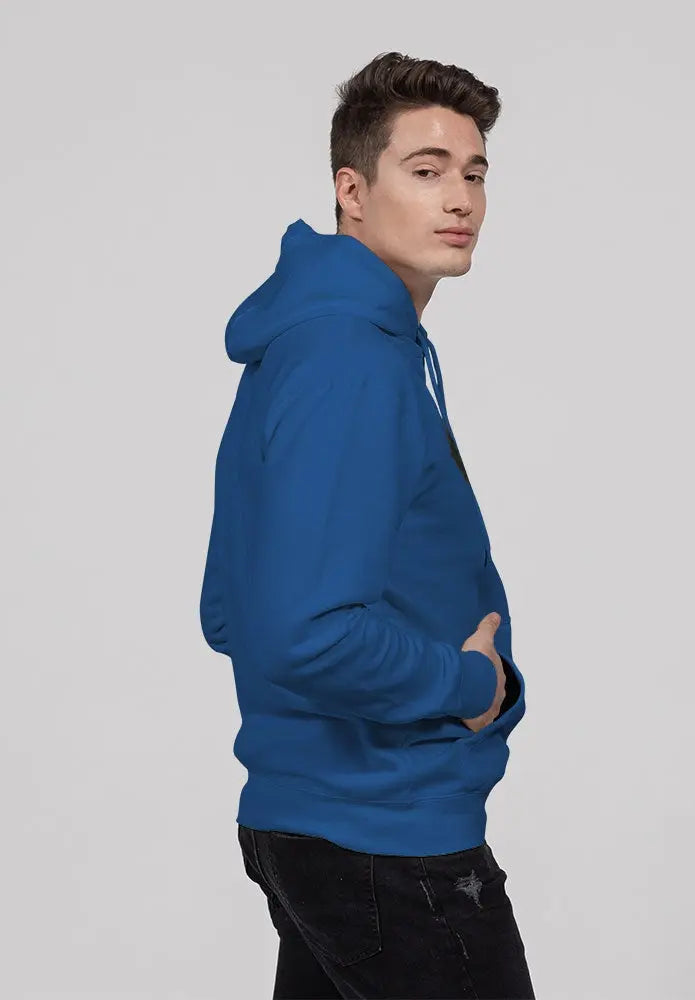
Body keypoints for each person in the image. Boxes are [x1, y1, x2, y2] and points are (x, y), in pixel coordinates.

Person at [200, 50, 536, 1000]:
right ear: (352, 191)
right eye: (425, 171)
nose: (460, 198)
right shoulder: (353, 359)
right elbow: (300, 631)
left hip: (318, 824)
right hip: (388, 839)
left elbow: (230, 609)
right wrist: (469, 683)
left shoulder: (315, 344)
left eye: (473, 173)